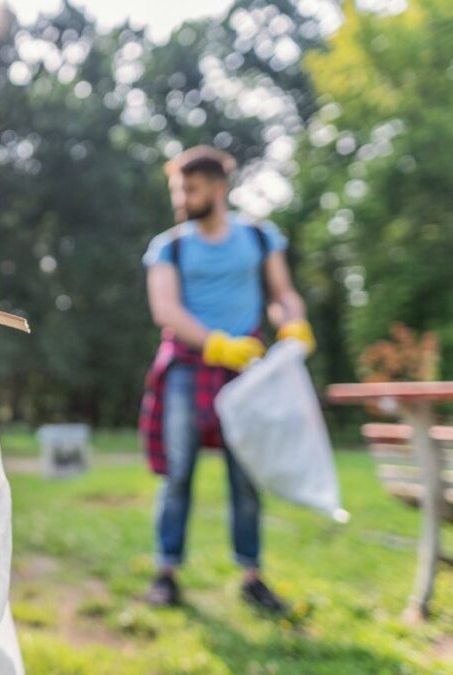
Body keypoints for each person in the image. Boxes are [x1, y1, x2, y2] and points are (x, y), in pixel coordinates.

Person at [138, 146, 316, 613]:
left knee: (247, 476)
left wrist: (292, 323)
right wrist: (215, 343)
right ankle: (166, 573)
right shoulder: (169, 246)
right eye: (178, 187)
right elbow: (166, 309)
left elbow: (283, 296)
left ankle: (252, 576)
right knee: (178, 475)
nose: (182, 196)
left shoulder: (258, 237)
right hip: (187, 368)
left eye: (190, 188)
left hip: (246, 372)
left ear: (218, 188)